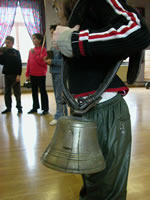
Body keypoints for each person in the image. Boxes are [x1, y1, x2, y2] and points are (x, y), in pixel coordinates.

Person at [51, 0, 150, 199]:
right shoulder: (78, 8)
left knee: (107, 192)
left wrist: (75, 40)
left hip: (105, 110)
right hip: (85, 111)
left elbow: (137, 30)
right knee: (94, 186)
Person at [45, 25, 68, 126]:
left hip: (60, 73)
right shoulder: (53, 45)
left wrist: (52, 61)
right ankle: (64, 114)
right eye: (50, 33)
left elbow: (64, 62)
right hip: (53, 72)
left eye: (52, 32)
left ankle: (59, 116)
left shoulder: (62, 45)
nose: (51, 35)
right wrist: (47, 59)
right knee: (58, 95)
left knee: (59, 95)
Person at [26, 33, 49, 115]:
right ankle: (35, 107)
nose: (33, 40)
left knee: (43, 91)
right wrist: (27, 74)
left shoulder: (44, 50)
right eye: (33, 38)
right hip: (32, 74)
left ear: (39, 40)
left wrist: (35, 54)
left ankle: (45, 109)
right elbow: (29, 62)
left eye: (35, 38)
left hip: (41, 74)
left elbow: (42, 63)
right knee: (34, 92)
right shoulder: (31, 50)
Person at [0, 36, 22, 114]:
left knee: (17, 92)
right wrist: (1, 55)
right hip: (7, 74)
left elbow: (19, 64)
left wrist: (18, 75)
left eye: (8, 43)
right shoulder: (4, 52)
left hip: (15, 75)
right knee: (7, 92)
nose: (7, 44)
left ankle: (19, 107)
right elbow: (2, 62)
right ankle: (8, 107)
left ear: (12, 43)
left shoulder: (16, 52)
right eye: (6, 43)